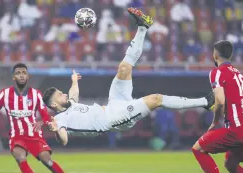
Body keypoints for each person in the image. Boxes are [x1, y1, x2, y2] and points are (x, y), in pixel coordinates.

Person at [40, 8, 214, 145]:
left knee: (123, 68)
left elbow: (73, 95)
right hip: (114, 119)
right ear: (54, 104)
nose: (63, 94)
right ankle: (206, 102)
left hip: (112, 104)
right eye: (59, 95)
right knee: (156, 99)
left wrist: (74, 82)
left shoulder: (70, 104)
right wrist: (56, 130)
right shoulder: (59, 119)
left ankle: (143, 26)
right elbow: (64, 139)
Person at [0, 63, 77, 173]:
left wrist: (42, 122)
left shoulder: (36, 94)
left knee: (47, 161)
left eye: (23, 73)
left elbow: (45, 115)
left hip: (34, 135)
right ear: (13, 77)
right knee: (20, 156)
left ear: (28, 76)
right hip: (17, 136)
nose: (21, 75)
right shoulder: (5, 94)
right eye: (18, 73)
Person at [192, 40, 243, 173]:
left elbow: (220, 101)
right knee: (231, 164)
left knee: (198, 149)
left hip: (237, 129)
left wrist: (215, 122)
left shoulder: (217, 72)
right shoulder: (239, 75)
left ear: (215, 54)